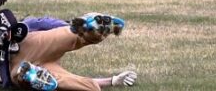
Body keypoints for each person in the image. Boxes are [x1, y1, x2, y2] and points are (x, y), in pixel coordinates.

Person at [9, 13, 138, 91]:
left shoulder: (18, 29)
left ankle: (90, 28)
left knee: (90, 87)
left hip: (26, 51)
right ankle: (89, 28)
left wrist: (113, 80)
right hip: (28, 57)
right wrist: (112, 81)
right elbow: (44, 22)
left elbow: (40, 22)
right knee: (90, 87)